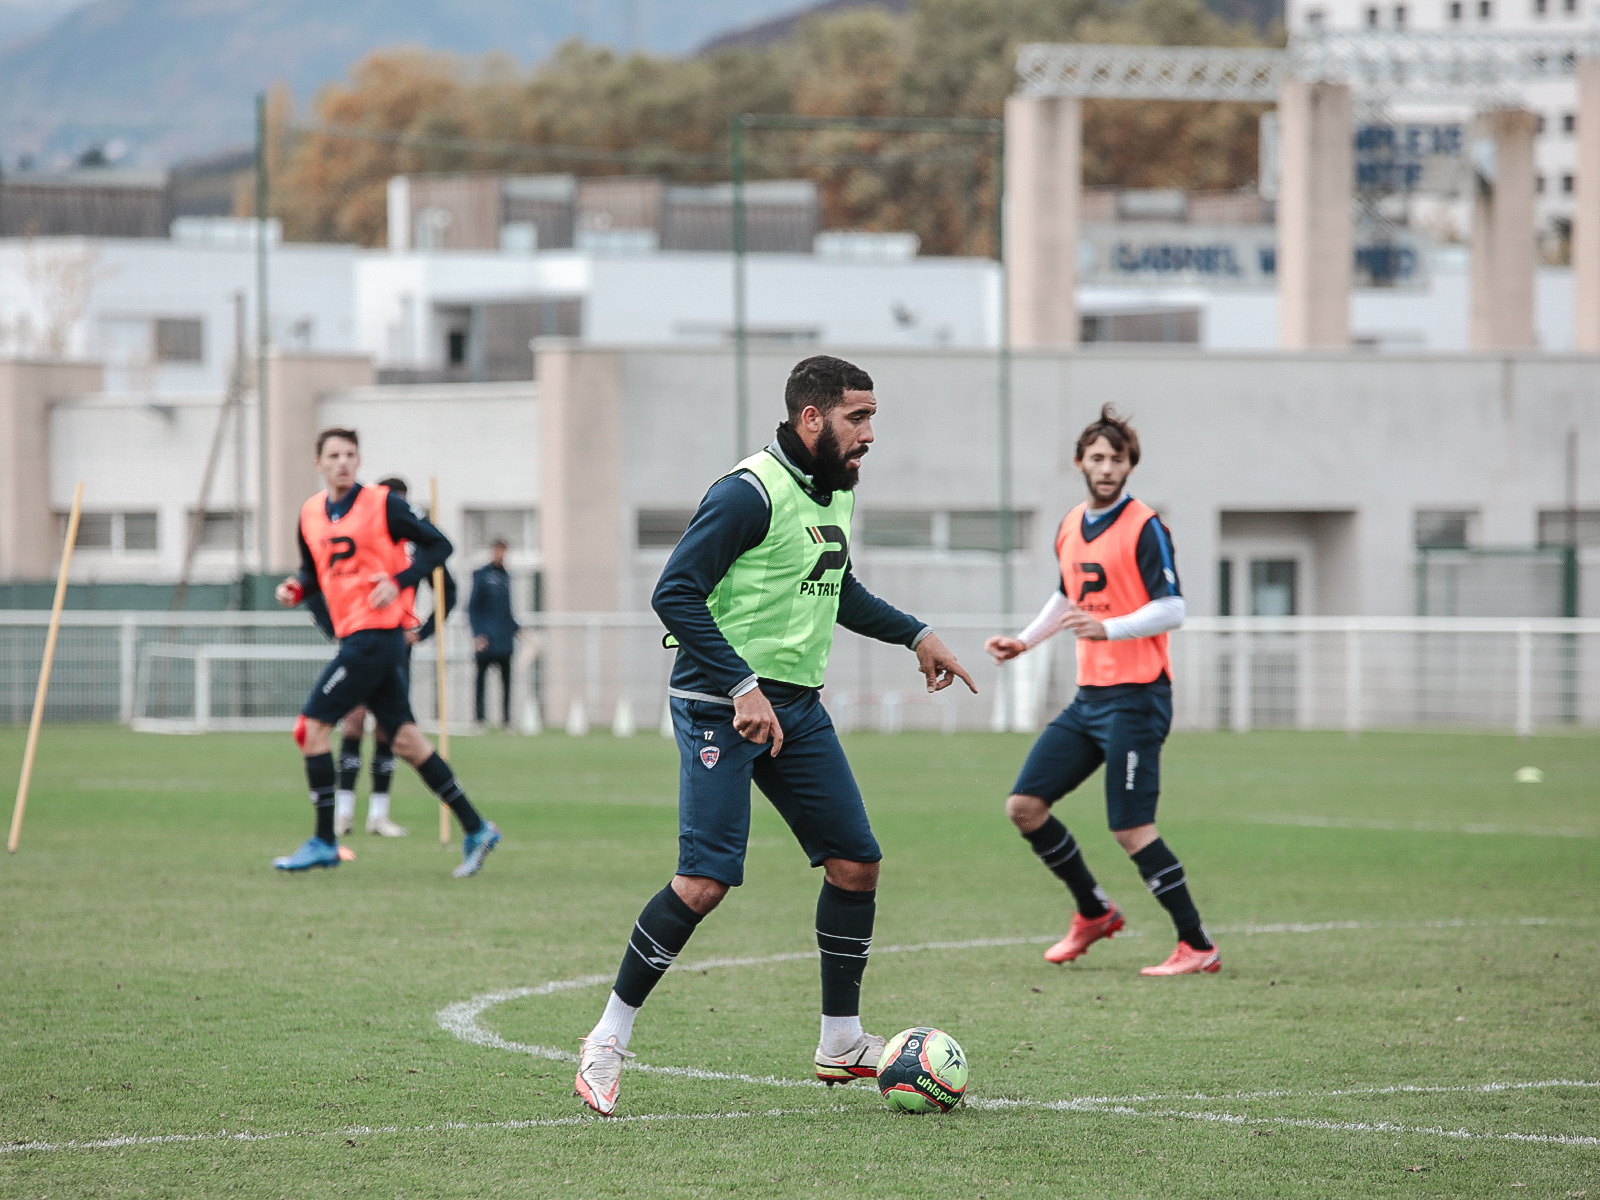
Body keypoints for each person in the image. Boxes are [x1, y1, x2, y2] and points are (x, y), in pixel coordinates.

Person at [572, 355, 977, 1117]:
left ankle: (841, 1041)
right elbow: (674, 593)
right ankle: (606, 1038)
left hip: (795, 704)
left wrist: (916, 634)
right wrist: (740, 685)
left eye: (873, 418)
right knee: (705, 881)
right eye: (858, 418)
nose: (870, 435)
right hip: (717, 702)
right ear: (811, 418)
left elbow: (836, 586)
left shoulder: (835, 489)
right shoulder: (746, 493)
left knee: (856, 863)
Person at [985, 405, 1218, 977]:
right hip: (1089, 698)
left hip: (1137, 698)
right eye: (1097, 458)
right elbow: (1068, 597)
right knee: (1024, 807)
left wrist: (1109, 628)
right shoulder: (1070, 524)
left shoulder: (1145, 526)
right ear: (1080, 464)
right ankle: (1094, 911)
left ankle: (1197, 945)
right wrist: (1024, 642)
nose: (1107, 467)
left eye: (1117, 458)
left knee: (1131, 827)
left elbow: (1173, 608)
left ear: (1130, 464)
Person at [272, 428, 501, 877]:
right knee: (406, 742)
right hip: (358, 638)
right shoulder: (311, 513)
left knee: (309, 729)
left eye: (350, 454)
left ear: (359, 461)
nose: (342, 462)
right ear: (318, 463)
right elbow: (313, 571)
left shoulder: (382, 504)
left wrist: (400, 580)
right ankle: (477, 828)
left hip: (375, 636)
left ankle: (324, 841)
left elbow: (441, 545)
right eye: (333, 455)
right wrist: (295, 588)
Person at [308, 477, 457, 839]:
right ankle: (343, 813)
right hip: (360, 640)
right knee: (353, 722)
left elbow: (448, 590)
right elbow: (315, 581)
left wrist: (422, 631)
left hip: (396, 646)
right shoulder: (361, 537)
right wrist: (336, 628)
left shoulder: (413, 548)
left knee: (391, 731)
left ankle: (379, 814)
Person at [468, 538, 519, 728]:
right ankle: (479, 718)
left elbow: (506, 611)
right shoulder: (482, 575)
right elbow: (473, 608)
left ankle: (506, 719)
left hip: (504, 639)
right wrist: (478, 634)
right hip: (487, 638)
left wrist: (517, 628)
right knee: (481, 679)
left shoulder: (506, 576)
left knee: (506, 681)